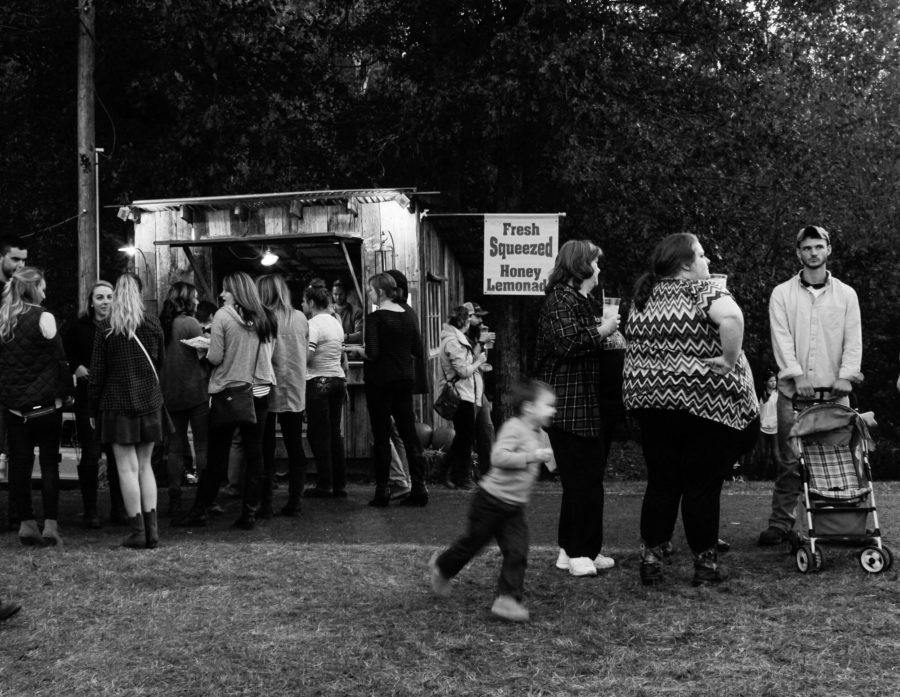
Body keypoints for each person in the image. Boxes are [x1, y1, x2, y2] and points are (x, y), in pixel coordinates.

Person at [623, 233, 758, 586]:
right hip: (703, 405)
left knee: (662, 482)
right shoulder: (704, 290)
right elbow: (733, 319)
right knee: (701, 485)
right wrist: (730, 359)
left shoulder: (643, 296)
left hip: (651, 403)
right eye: (701, 256)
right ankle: (705, 565)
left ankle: (651, 560)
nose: (707, 262)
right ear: (685, 264)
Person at [758, 225, 862, 546]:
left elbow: (853, 340)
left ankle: (838, 523)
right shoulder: (782, 293)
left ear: (828, 249)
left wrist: (846, 375)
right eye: (807, 248)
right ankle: (782, 523)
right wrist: (796, 374)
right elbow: (781, 337)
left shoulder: (846, 294)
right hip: (794, 395)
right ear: (798, 253)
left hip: (834, 394)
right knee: (791, 462)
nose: (813, 253)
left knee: (838, 461)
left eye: (819, 246)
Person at [428, 379, 556, 623]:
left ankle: (507, 600)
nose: (553, 411)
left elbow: (551, 462)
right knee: (472, 544)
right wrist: (530, 456)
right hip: (490, 502)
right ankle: (442, 567)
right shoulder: (514, 428)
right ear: (529, 408)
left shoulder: (540, 434)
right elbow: (498, 457)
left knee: (517, 551)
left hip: (514, 507)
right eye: (548, 405)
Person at [532, 240, 621, 577]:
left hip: (587, 404)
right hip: (568, 405)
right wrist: (604, 329)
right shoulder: (559, 300)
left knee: (588, 479)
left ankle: (578, 549)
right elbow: (568, 343)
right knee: (579, 480)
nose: (599, 270)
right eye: (595, 263)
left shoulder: (580, 300)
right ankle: (578, 551)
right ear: (582, 266)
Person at [176, 272, 276, 530]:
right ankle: (250, 513)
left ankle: (199, 510)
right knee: (256, 455)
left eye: (225, 290)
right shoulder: (266, 316)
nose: (221, 295)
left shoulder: (222, 316)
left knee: (217, 456)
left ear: (236, 291)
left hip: (229, 392)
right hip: (260, 391)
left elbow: (216, 357)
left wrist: (204, 350)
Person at [90, 273, 169, 549]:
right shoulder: (152, 323)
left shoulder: (106, 328)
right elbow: (160, 362)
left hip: (116, 404)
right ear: (139, 292)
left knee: (126, 469)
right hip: (149, 402)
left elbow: (97, 374)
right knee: (146, 467)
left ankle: (137, 531)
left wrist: (92, 406)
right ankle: (153, 530)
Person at [0, 267, 71, 546]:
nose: (45, 291)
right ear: (33, 288)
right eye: (42, 286)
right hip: (47, 407)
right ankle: (51, 524)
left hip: (16, 408)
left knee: (20, 466)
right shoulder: (45, 317)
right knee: (49, 464)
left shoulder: (3, 318)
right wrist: (67, 393)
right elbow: (60, 360)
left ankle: (26, 523)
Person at [353, 273, 429, 507]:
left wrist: (357, 350)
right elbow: (417, 348)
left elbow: (373, 353)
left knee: (382, 436)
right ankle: (419, 487)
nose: (368, 293)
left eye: (370, 289)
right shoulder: (409, 314)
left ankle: (383, 490)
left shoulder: (375, 318)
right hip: (404, 380)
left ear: (380, 292)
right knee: (409, 435)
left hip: (380, 383)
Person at [63, 280, 126, 527]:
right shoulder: (78, 328)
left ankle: (119, 509)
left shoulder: (120, 326)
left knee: (117, 454)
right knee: (90, 454)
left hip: (115, 398)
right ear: (91, 301)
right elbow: (64, 353)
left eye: (109, 297)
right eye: (100, 297)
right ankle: (91, 511)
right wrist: (75, 367)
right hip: (88, 398)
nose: (105, 302)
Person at [257, 274, 308, 517]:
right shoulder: (300, 317)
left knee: (265, 448)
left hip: (267, 388)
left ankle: (265, 502)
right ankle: (295, 500)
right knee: (295, 445)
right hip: (295, 387)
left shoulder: (263, 319)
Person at [159, 282, 209, 520]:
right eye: (195, 297)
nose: (198, 301)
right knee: (201, 445)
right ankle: (203, 499)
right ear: (188, 299)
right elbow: (204, 354)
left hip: (169, 392)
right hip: (195, 391)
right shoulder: (190, 323)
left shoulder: (163, 324)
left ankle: (174, 496)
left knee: (175, 447)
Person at [384, 269, 429, 500]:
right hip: (405, 379)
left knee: (397, 434)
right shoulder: (408, 312)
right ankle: (409, 482)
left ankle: (409, 483)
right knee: (402, 433)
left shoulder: (398, 313)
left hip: (396, 380)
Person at [302, 284, 348, 499]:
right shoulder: (336, 323)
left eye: (304, 301)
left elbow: (308, 356)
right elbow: (341, 355)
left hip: (318, 381)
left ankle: (324, 484)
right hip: (338, 380)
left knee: (317, 434)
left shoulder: (312, 325)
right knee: (334, 434)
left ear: (311, 303)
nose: (302, 305)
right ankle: (339, 484)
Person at [436, 305, 487, 491]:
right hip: (460, 394)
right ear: (463, 322)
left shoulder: (456, 339)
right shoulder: (452, 342)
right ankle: (452, 473)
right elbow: (464, 371)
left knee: (464, 437)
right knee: (464, 438)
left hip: (465, 393)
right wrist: (479, 361)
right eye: (468, 320)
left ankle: (454, 474)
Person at [0, 235, 28, 526]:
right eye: (15, 259)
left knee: (18, 451)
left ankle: (17, 512)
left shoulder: (22, 292)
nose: (20, 264)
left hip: (15, 381)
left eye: (24, 259)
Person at [463, 301, 497, 477]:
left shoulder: (477, 333)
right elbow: (466, 362)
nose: (481, 321)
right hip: (465, 391)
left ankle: (489, 474)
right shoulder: (460, 335)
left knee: (487, 429)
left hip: (478, 389)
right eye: (478, 317)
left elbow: (482, 361)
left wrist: (485, 344)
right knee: (465, 434)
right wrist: (480, 343)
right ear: (468, 317)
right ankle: (461, 473)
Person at [757, 374, 780, 480]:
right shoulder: (760, 394)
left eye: (775, 381)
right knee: (763, 453)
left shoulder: (778, 394)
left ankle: (778, 477)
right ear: (765, 382)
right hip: (762, 427)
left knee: (776, 454)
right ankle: (762, 477)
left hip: (775, 427)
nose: (773, 383)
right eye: (771, 381)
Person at [331, 279, 363, 344]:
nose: (338, 297)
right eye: (335, 294)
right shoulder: (328, 311)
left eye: (341, 294)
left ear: (346, 294)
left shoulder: (356, 311)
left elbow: (359, 334)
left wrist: (345, 337)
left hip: (350, 350)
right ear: (332, 294)